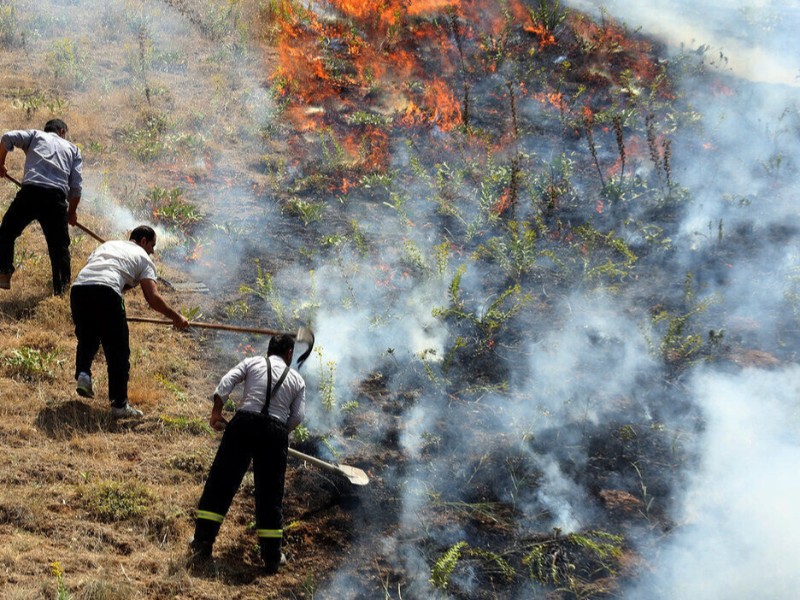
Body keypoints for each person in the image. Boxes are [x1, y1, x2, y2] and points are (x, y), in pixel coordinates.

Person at [190, 334, 306, 574]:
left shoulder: (252, 363)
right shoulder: (297, 379)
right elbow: (296, 417)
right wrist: (279, 433)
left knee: (220, 484)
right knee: (270, 494)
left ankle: (202, 542)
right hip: (275, 431)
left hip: (242, 424)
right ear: (289, 354)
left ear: (269, 349)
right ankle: (272, 558)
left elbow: (226, 382)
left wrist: (216, 412)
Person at [70, 225, 189, 418]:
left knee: (88, 337)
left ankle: (83, 374)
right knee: (118, 350)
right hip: (107, 291)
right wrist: (176, 317)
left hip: (79, 289)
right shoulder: (144, 258)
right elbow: (152, 298)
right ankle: (119, 405)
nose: (152, 251)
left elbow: (97, 272)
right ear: (143, 241)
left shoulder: (108, 245)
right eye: (152, 245)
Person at [0, 119, 83, 294]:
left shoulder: (35, 135)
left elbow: (7, 137)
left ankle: (4, 272)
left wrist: (0, 163)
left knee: (6, 231)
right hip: (56, 199)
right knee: (59, 248)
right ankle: (61, 292)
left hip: (30, 193)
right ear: (61, 131)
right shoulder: (73, 149)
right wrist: (71, 212)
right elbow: (75, 188)